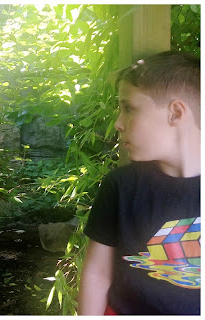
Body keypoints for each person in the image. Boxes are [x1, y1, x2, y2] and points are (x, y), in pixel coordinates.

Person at [78, 51, 200, 315]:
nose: (118, 123)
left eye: (129, 108)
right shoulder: (121, 187)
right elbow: (97, 274)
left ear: (175, 114)